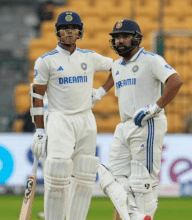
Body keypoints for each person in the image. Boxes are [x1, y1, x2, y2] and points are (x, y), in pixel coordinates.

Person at [94, 19, 183, 220]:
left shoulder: (152, 60)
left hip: (147, 123)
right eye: (116, 38)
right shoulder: (116, 65)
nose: (120, 41)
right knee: (112, 179)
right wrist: (99, 92)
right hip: (124, 125)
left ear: (136, 38)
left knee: (143, 184)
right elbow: (113, 78)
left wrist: (155, 108)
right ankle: (134, 216)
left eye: (125, 36)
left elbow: (175, 81)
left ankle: (140, 215)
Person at [30, 11, 113, 220]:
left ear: (79, 32)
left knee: (85, 175)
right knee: (57, 172)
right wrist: (40, 130)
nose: (69, 32)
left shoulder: (89, 57)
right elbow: (37, 96)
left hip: (86, 118)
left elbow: (118, 68)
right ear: (58, 32)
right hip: (59, 119)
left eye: (73, 28)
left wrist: (100, 92)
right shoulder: (45, 61)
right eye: (64, 29)